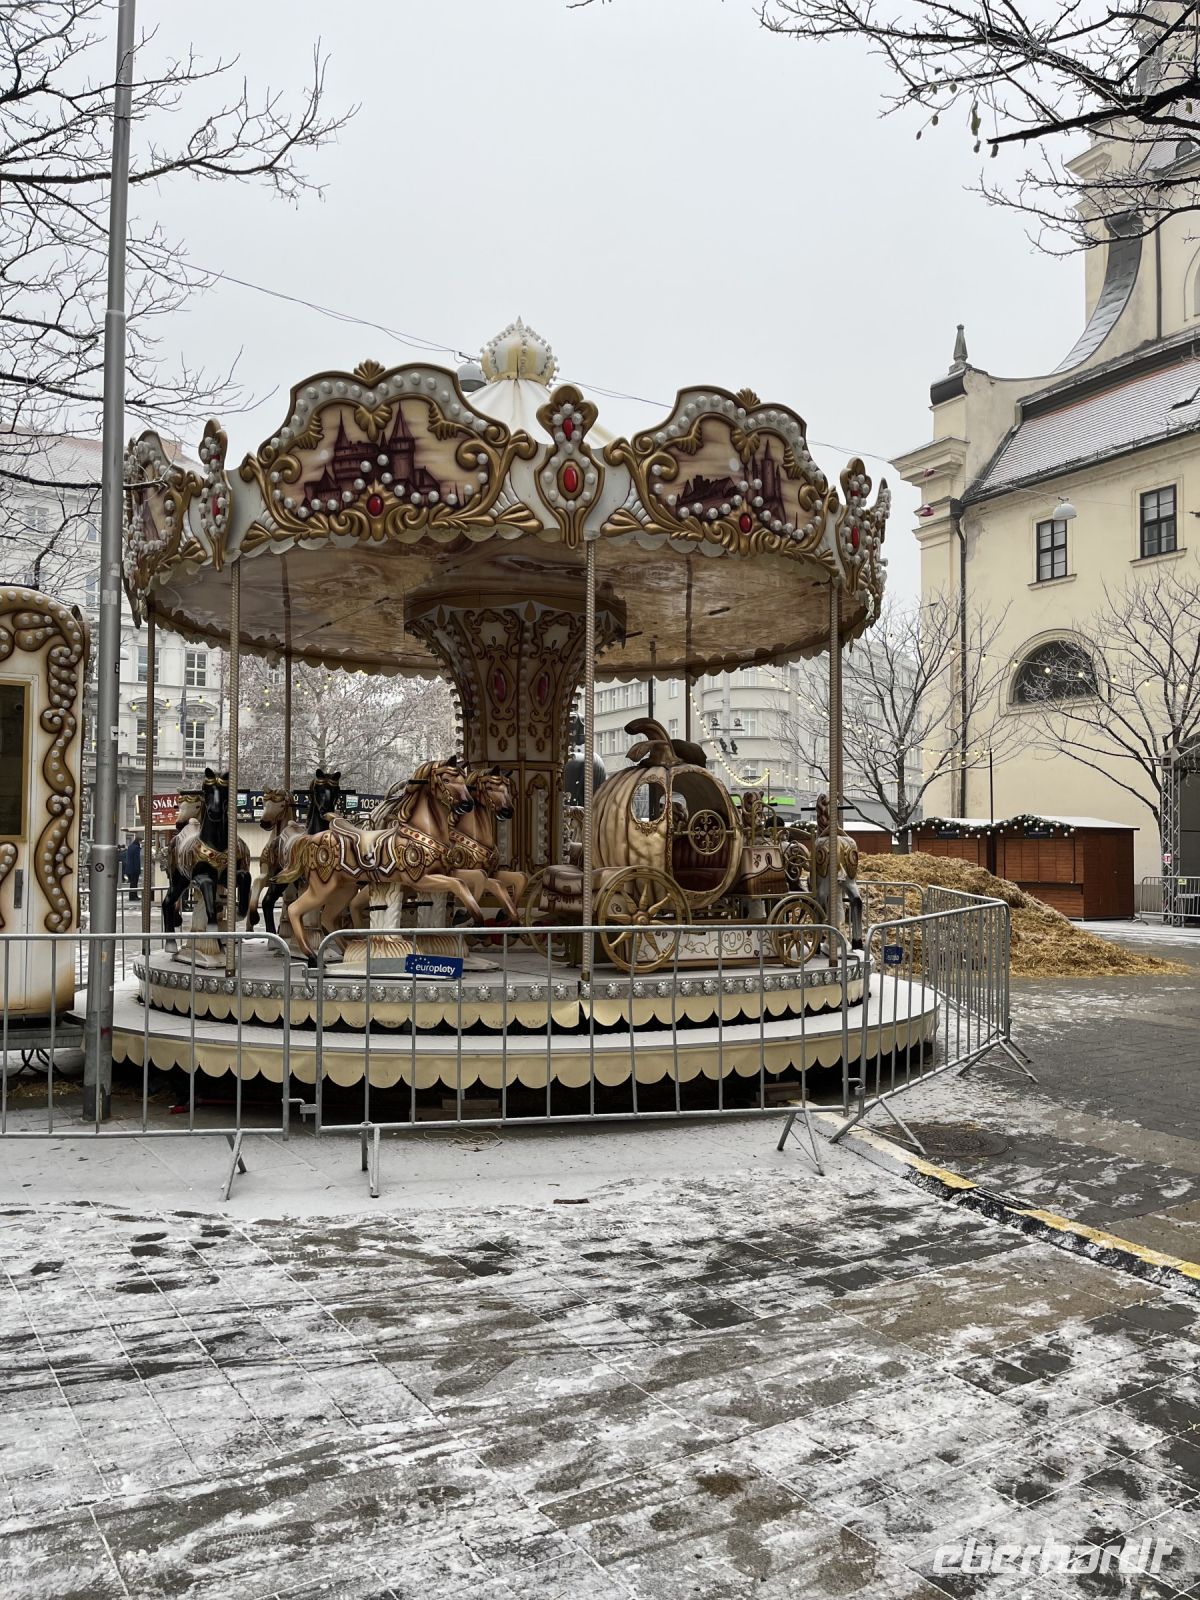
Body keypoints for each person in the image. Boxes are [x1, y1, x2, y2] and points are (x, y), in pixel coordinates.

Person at [125, 834, 142, 902]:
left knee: (132, 883)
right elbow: (136, 860)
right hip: (134, 869)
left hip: (129, 868)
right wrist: (138, 870)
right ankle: (133, 896)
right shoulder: (136, 848)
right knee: (134, 883)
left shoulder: (130, 847)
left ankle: (132, 896)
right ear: (139, 841)